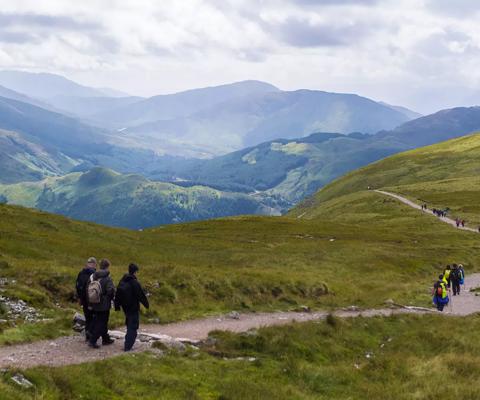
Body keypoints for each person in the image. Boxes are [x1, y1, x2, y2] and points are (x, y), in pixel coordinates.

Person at [115, 263, 149, 352]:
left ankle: (127, 343)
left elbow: (117, 293)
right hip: (133, 307)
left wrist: (117, 306)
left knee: (129, 324)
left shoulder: (123, 280)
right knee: (133, 327)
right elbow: (140, 295)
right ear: (135, 272)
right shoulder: (134, 282)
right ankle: (128, 346)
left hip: (125, 307)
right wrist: (146, 305)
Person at [88, 259, 115, 349]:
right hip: (104, 304)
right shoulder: (107, 278)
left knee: (98, 320)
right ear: (107, 266)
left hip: (95, 301)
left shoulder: (94, 276)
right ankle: (93, 341)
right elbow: (110, 291)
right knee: (102, 322)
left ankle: (105, 339)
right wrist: (109, 298)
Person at [75, 257, 97, 341]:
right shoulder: (94, 274)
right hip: (92, 300)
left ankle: (88, 335)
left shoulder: (81, 273)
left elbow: (77, 286)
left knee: (87, 317)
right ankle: (91, 335)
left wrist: (80, 298)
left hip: (83, 300)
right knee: (94, 317)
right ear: (94, 264)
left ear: (87, 264)